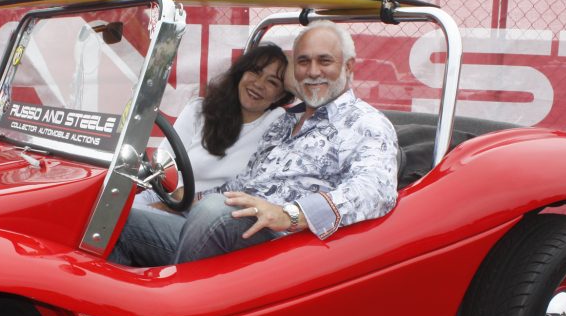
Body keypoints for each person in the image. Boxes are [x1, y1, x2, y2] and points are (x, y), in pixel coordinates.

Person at [111, 22, 398, 266]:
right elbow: (242, 185)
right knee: (115, 223)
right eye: (302, 62)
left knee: (214, 211)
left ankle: (177, 314)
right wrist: (184, 204)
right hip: (229, 226)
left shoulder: (365, 122)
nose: (312, 71)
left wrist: (290, 214)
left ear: (348, 67)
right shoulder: (285, 124)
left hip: (282, 246)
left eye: (324, 61)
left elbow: (375, 190)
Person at [135, 43, 293, 209]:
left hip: (214, 217)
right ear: (241, 73)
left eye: (272, 82)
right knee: (118, 215)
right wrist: (179, 202)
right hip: (165, 197)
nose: (259, 84)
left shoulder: (279, 127)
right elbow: (162, 165)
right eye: (255, 72)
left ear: (281, 95)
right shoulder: (200, 109)